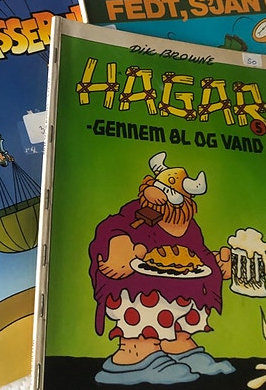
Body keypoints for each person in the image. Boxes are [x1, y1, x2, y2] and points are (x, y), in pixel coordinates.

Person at [89, 151, 235, 385]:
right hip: (134, 284)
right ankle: (134, 354)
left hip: (178, 288)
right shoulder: (137, 212)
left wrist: (217, 265)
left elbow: (199, 253)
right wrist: (118, 244)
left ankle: (178, 347)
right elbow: (114, 226)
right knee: (148, 301)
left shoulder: (189, 226)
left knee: (191, 301)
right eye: (160, 188)